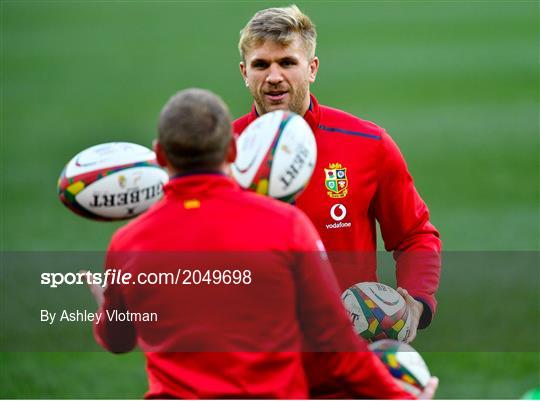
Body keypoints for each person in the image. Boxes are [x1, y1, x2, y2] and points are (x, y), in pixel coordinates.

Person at [86, 88, 431, 399]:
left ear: (160, 156)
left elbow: (117, 339)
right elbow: (336, 345)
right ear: (235, 149)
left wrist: (106, 305)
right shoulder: (284, 226)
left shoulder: (129, 242)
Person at [234, 4, 441, 344]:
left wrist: (417, 302)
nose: (273, 76)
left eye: (287, 62)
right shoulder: (224, 154)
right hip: (255, 354)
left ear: (312, 68)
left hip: (344, 355)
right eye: (261, 64)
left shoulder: (368, 144)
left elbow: (414, 234)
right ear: (244, 71)